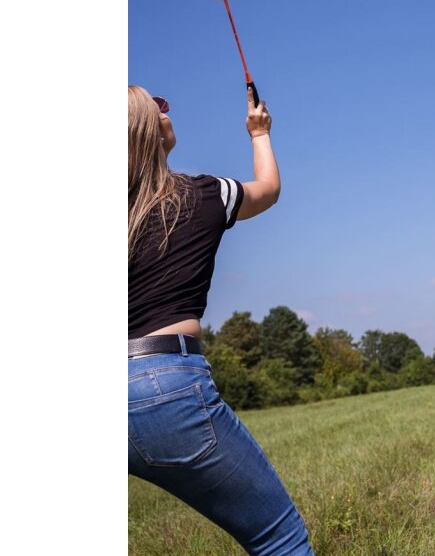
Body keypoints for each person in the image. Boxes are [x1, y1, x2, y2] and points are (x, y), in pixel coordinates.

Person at [128, 85, 315, 555]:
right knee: (281, 539)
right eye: (158, 104)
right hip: (167, 387)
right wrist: (259, 133)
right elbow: (267, 189)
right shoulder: (204, 194)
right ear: (148, 128)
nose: (167, 108)